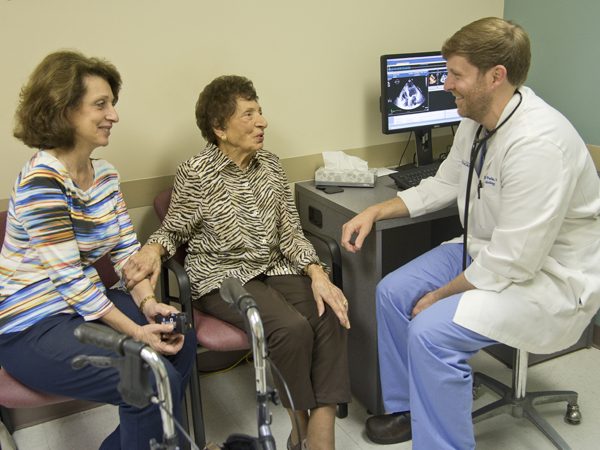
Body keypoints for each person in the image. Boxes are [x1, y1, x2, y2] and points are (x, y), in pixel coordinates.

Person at [341, 17, 600, 450]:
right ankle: (410, 408)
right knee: (391, 292)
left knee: (430, 330)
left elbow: (513, 261)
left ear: (495, 76)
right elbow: (445, 183)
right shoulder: (476, 120)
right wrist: (376, 210)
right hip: (486, 251)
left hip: (547, 277)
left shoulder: (539, 144)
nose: (446, 84)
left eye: (456, 74)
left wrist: (440, 296)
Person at [122, 75, 352, 450]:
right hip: (220, 276)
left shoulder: (271, 167)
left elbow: (292, 232)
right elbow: (174, 230)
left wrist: (317, 273)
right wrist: (152, 250)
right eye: (249, 114)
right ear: (219, 128)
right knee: (291, 329)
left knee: (332, 310)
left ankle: (318, 436)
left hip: (274, 266)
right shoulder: (197, 172)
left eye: (260, 112)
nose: (262, 122)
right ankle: (300, 425)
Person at [0, 51, 197, 450]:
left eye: (112, 104)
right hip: (32, 324)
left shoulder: (105, 175)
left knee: (180, 335)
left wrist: (146, 305)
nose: (114, 115)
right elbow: (71, 280)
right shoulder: (41, 178)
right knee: (146, 380)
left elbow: (127, 253)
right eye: (101, 104)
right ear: (64, 110)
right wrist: (137, 332)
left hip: (83, 306)